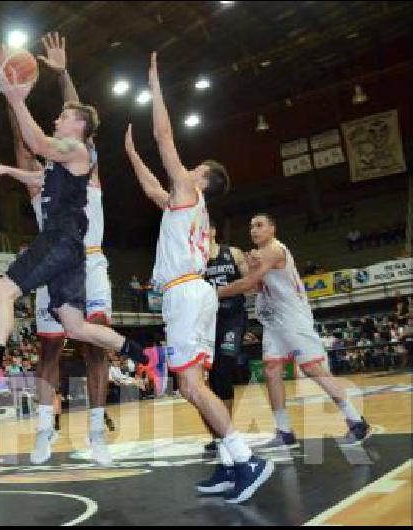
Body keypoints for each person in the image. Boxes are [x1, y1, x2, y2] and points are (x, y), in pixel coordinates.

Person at [0, 43, 165, 435]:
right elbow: (32, 157)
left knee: (8, 294)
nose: (57, 119)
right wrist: (10, 167)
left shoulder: (82, 158)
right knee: (69, 333)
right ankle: (134, 352)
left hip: (82, 253)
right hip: (62, 254)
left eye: (64, 117)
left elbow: (54, 138)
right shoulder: (50, 178)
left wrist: (47, 82)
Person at [123, 51, 272, 504]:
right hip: (194, 293)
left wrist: (154, 86)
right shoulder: (183, 205)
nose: (185, 170)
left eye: (194, 168)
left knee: (189, 384)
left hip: (187, 293)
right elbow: (152, 188)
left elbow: (164, 135)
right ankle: (229, 465)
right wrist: (131, 155)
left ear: (203, 179)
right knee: (195, 386)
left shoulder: (189, 190)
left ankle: (246, 458)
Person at [217, 213, 371, 447]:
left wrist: (212, 293)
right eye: (251, 226)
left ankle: (356, 421)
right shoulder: (260, 255)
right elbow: (254, 289)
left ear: (272, 229)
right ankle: (284, 431)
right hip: (274, 319)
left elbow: (246, 285)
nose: (253, 230)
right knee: (271, 370)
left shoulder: (275, 249)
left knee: (312, 368)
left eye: (259, 225)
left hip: (293, 317)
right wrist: (250, 268)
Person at [202, 221, 250, 452]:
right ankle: (223, 430)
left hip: (233, 317)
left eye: (205, 228)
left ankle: (225, 430)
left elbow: (249, 283)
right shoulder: (195, 260)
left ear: (213, 231)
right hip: (209, 322)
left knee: (225, 367)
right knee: (214, 378)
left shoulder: (232, 253)